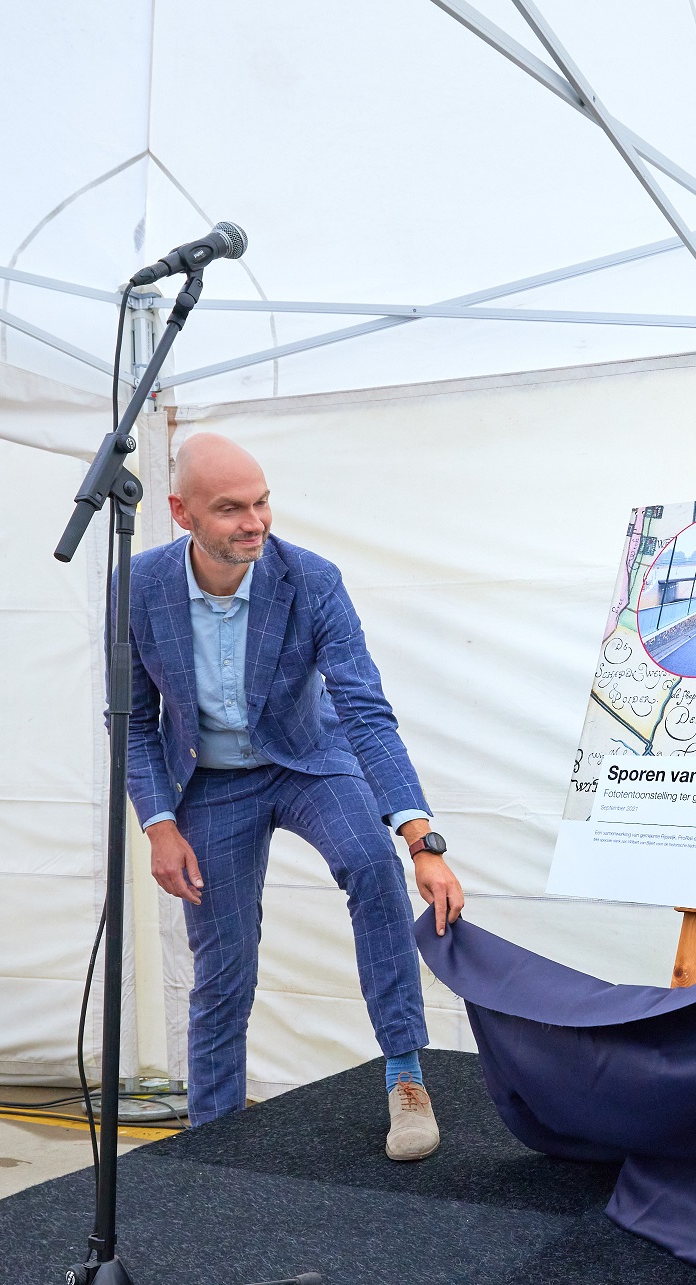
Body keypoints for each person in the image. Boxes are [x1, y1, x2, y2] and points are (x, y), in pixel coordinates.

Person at [127, 432, 464, 1156]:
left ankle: (405, 1078)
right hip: (209, 783)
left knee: (373, 866)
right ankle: (211, 1134)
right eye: (231, 509)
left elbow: (366, 711)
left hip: (310, 760)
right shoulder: (139, 586)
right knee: (223, 962)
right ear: (181, 512)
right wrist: (157, 822)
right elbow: (129, 721)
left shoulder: (311, 580)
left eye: (262, 502)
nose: (255, 522)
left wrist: (420, 839)